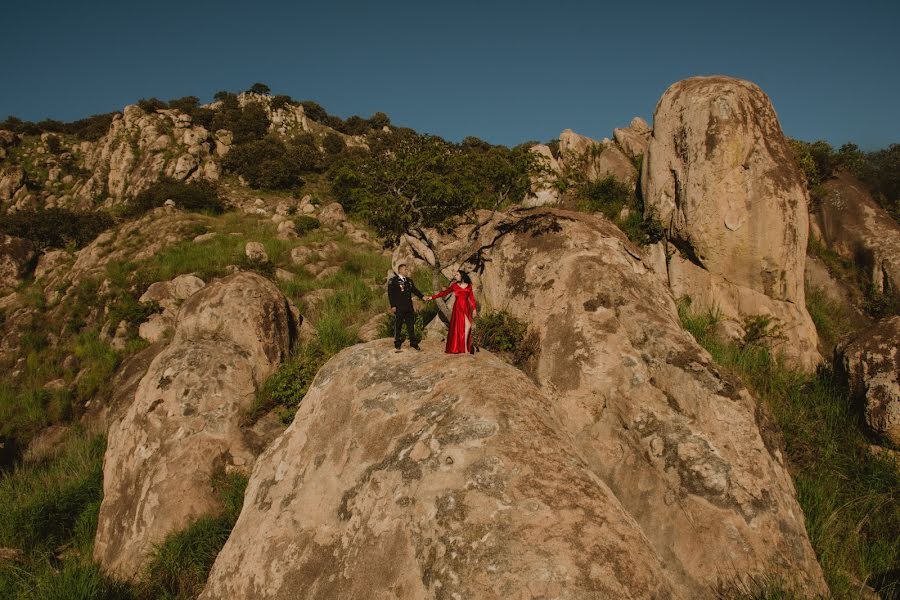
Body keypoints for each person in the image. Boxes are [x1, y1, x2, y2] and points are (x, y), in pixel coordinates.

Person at [426, 271, 478, 354]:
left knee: (466, 326)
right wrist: (432, 297)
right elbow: (444, 293)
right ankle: (464, 348)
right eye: (455, 275)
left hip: (466, 307)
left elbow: (471, 298)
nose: (455, 276)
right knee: (466, 325)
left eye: (457, 275)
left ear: (462, 276)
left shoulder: (469, 286)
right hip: (458, 307)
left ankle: (464, 347)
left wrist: (474, 309)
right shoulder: (454, 285)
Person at [387, 264, 425, 351]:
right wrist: (393, 305)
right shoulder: (393, 281)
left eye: (407, 269)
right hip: (399, 307)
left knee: (411, 326)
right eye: (405, 269)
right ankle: (397, 342)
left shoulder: (409, 281)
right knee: (398, 325)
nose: (407, 271)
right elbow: (391, 294)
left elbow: (415, 290)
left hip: (408, 307)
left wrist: (422, 296)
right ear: (400, 271)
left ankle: (413, 343)